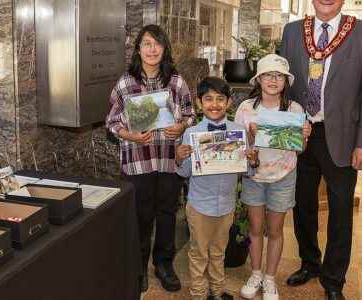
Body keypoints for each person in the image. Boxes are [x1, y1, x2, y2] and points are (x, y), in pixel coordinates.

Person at [279, 1, 362, 299]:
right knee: (302, 205)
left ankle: (334, 279)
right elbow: (282, 86)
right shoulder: (292, 31)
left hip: (343, 138)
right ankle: (310, 262)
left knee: (340, 211)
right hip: (301, 134)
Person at [105, 24, 195, 293]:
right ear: (139, 50)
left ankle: (163, 265)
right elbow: (111, 122)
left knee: (167, 214)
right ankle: (138, 267)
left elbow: (190, 114)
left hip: (169, 160)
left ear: (164, 48)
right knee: (140, 217)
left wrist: (181, 127)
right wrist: (130, 136)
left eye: (157, 44)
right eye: (146, 44)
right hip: (138, 161)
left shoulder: (176, 82)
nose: (152, 49)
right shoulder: (125, 83)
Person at [235, 54, 311, 300]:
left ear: (285, 82)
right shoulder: (246, 108)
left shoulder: (294, 109)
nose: (273, 80)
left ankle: (269, 279)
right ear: (259, 79)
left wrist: (305, 136)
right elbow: (236, 147)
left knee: (275, 230)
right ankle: (256, 273)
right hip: (254, 177)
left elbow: (299, 149)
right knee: (255, 228)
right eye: (268, 74)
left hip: (283, 175)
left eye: (279, 76)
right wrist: (248, 140)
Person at [175, 77, 258, 300]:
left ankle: (218, 289)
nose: (215, 104)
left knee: (219, 252)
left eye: (220, 99)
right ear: (199, 103)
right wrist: (179, 157)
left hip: (226, 206)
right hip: (200, 206)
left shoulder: (238, 132)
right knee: (199, 253)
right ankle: (199, 293)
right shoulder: (191, 133)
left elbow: (248, 173)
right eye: (209, 99)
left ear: (229, 102)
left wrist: (252, 161)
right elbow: (183, 173)